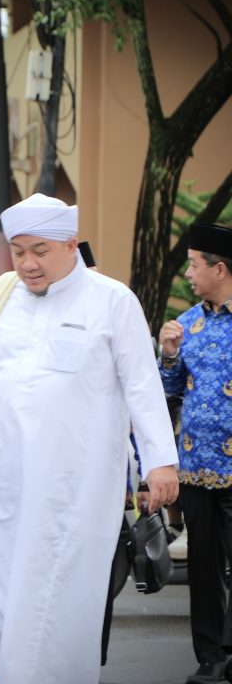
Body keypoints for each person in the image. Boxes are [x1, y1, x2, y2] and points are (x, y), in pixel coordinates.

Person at [0, 192, 180, 684]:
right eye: (19, 251)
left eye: (40, 251)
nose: (27, 263)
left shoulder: (112, 301)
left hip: (72, 484)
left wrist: (161, 462)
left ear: (71, 245)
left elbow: (142, 385)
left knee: (50, 597)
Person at [158, 222, 232, 684]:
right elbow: (164, 392)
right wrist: (168, 356)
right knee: (204, 570)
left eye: (194, 264)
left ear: (219, 269)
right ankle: (210, 658)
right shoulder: (186, 326)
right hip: (199, 470)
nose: (188, 272)